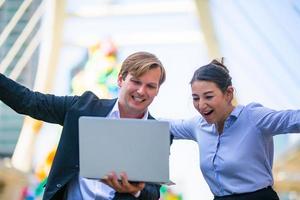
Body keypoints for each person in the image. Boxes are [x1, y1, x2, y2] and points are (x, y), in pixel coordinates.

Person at [0, 51, 166, 200]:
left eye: (150, 86)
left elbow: (153, 193)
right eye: (136, 82)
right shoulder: (82, 108)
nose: (141, 91)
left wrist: (136, 190)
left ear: (157, 90)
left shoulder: (155, 134)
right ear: (120, 79)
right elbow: (29, 102)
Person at [169, 59, 300, 200]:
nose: (201, 105)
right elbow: (163, 126)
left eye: (208, 96)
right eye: (195, 98)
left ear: (229, 93)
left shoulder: (253, 117)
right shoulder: (198, 126)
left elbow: (293, 119)